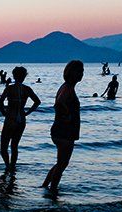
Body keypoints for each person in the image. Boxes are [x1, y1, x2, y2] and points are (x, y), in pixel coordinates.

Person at [43, 60, 84, 192]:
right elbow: (59, 103)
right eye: (79, 71)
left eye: (82, 71)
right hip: (64, 131)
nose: (81, 74)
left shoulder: (67, 87)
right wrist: (68, 116)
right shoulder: (67, 88)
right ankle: (53, 191)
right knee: (62, 164)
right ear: (72, 73)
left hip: (62, 130)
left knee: (60, 163)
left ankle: (45, 186)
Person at [0, 66, 41, 171]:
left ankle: (8, 166)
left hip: (10, 118)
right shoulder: (27, 89)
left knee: (4, 146)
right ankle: (12, 166)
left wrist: (4, 112)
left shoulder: (9, 88)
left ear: (13, 76)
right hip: (21, 119)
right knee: (14, 146)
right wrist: (27, 112)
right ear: (24, 77)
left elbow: (1, 101)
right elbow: (37, 102)